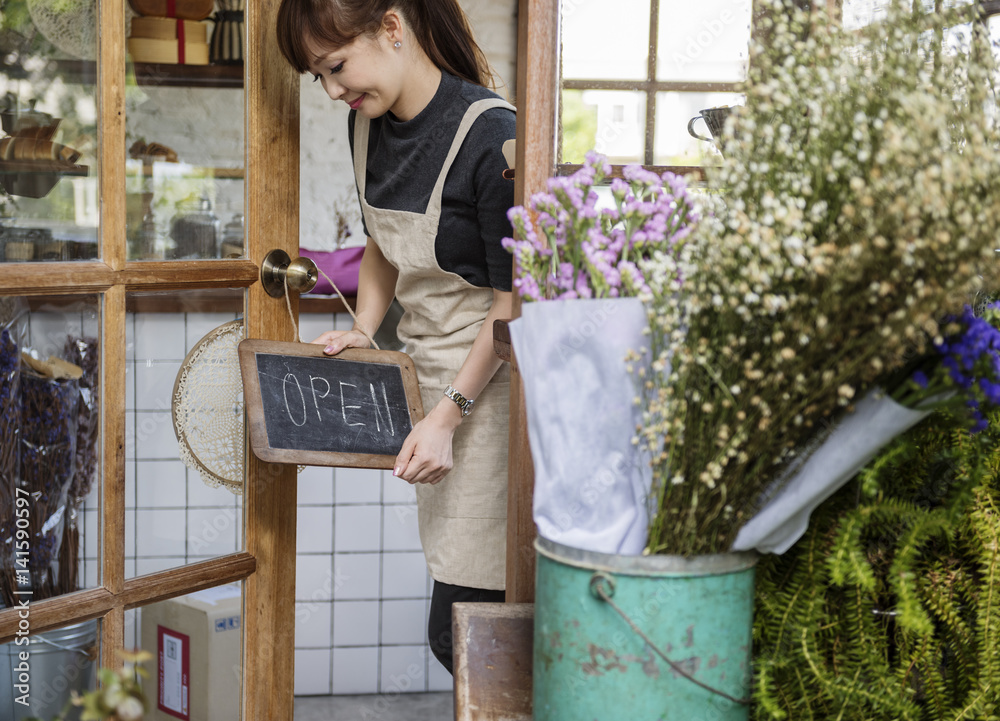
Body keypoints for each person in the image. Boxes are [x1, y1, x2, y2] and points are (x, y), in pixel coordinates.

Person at [276, 0, 515, 675]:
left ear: (391, 27)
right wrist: (362, 325)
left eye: (336, 67)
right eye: (317, 77)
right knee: (471, 632)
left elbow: (512, 306)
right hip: (430, 385)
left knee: (466, 635)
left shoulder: (491, 138)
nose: (332, 91)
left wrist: (451, 413)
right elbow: (382, 244)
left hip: (491, 397)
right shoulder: (367, 126)